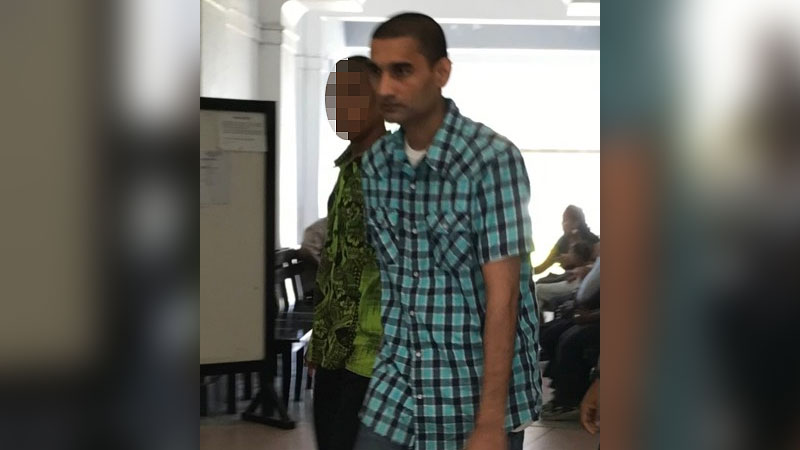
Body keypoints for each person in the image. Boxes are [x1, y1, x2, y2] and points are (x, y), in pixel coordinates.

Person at [354, 13, 541, 450]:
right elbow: (396, 284)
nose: (385, 88)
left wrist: (490, 422)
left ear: (441, 72)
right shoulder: (377, 165)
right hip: (398, 382)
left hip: (472, 389)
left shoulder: (490, 160)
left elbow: (504, 298)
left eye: (402, 71)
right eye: (378, 72)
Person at [306, 55, 387, 450]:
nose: (340, 106)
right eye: (334, 96)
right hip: (335, 350)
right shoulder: (346, 171)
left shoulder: (395, 171)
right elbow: (333, 265)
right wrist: (320, 341)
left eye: (353, 95)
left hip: (374, 356)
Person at [534, 205, 599, 275]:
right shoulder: (561, 243)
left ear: (576, 223)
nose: (562, 224)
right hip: (570, 278)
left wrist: (575, 260)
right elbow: (542, 267)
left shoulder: (592, 240)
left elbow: (599, 266)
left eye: (565, 221)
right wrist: (526, 270)